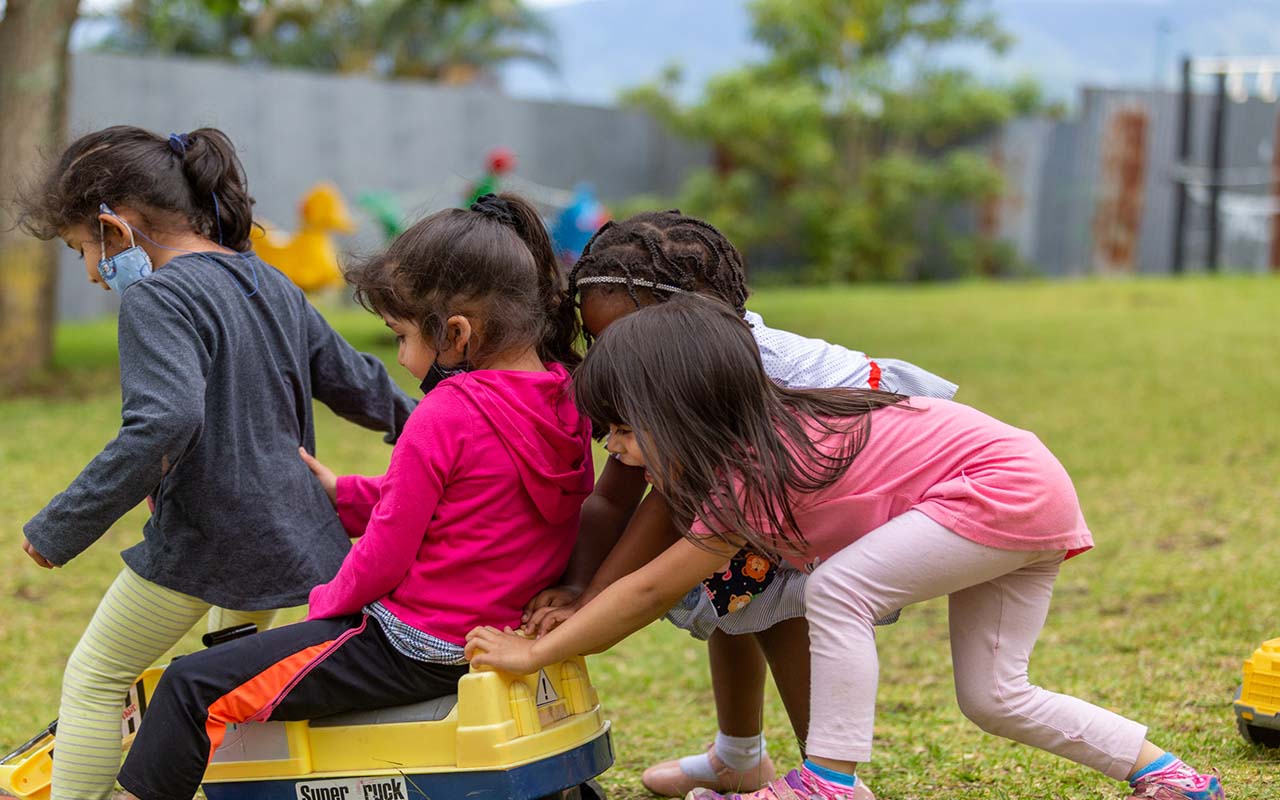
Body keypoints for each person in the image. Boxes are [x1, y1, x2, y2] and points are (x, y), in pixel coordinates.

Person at [468, 294, 1225, 800]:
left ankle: (829, 780)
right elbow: (671, 587)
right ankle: (1167, 774)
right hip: (1023, 486)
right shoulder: (757, 445)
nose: (618, 450)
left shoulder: (754, 468)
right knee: (995, 696)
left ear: (678, 410)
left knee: (838, 591)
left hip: (1000, 486)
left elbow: (650, 589)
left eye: (625, 430)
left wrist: (536, 653)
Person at [113, 193, 594, 800]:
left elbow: (386, 557)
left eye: (399, 336)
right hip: (497, 628)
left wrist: (324, 604)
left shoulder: (446, 412)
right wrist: (344, 493)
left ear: (456, 333)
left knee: (188, 686)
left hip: (415, 643)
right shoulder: (564, 398)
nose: (398, 355)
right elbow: (472, 503)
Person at [16, 125, 416, 800]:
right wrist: (447, 424)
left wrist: (59, 527)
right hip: (288, 538)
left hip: (210, 539)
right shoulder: (270, 281)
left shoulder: (157, 296)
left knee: (96, 677)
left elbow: (165, 419)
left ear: (114, 227)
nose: (89, 269)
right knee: (224, 676)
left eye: (81, 247)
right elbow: (358, 382)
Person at [522, 209, 956, 795]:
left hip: (858, 495)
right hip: (773, 498)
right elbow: (613, 498)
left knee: (786, 608)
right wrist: (574, 585)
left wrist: (592, 601)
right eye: (597, 339)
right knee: (730, 588)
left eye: (620, 335)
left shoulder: (736, 372)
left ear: (690, 321)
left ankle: (828, 782)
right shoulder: (653, 372)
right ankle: (739, 756)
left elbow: (671, 509)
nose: (608, 352)